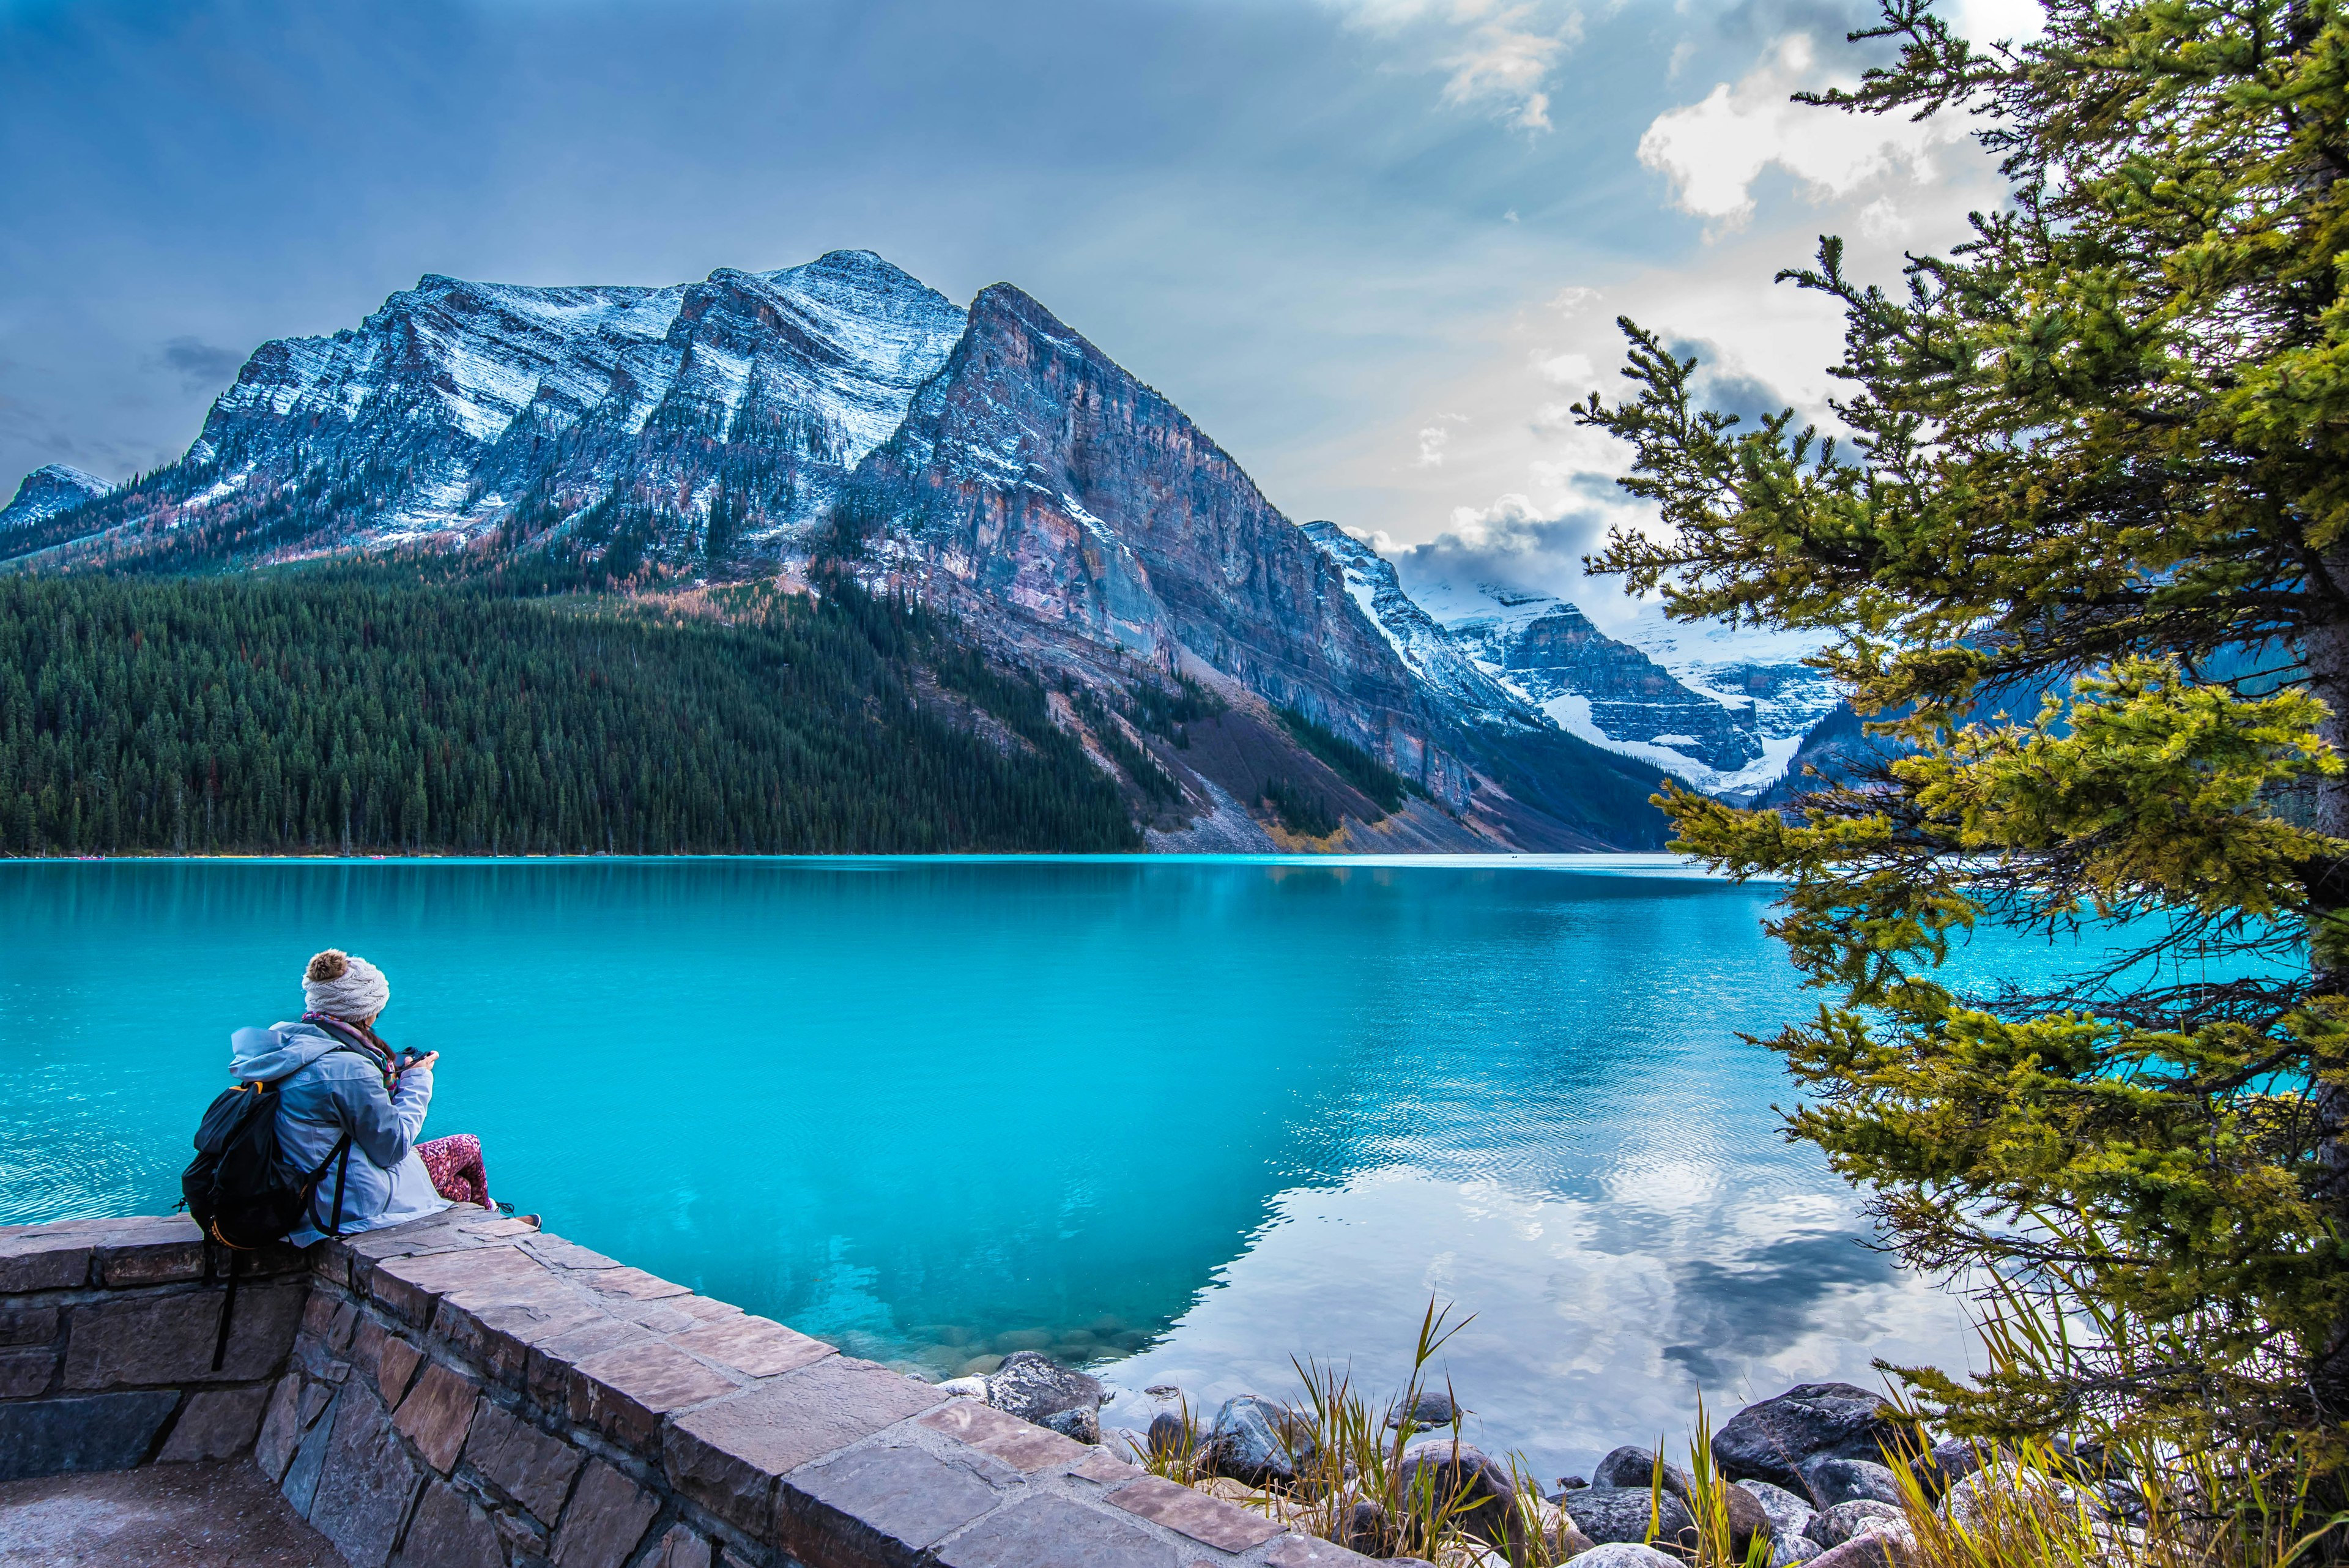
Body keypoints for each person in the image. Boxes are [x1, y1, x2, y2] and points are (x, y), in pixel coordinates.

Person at [227, 948, 494, 1245]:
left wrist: (392, 1072)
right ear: (366, 1010)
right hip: (345, 1202)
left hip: (298, 1188)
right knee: (468, 1146)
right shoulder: (348, 1069)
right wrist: (419, 1079)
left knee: (458, 1186)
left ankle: (487, 1224)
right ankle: (493, 1224)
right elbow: (393, 1148)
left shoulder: (285, 1047)